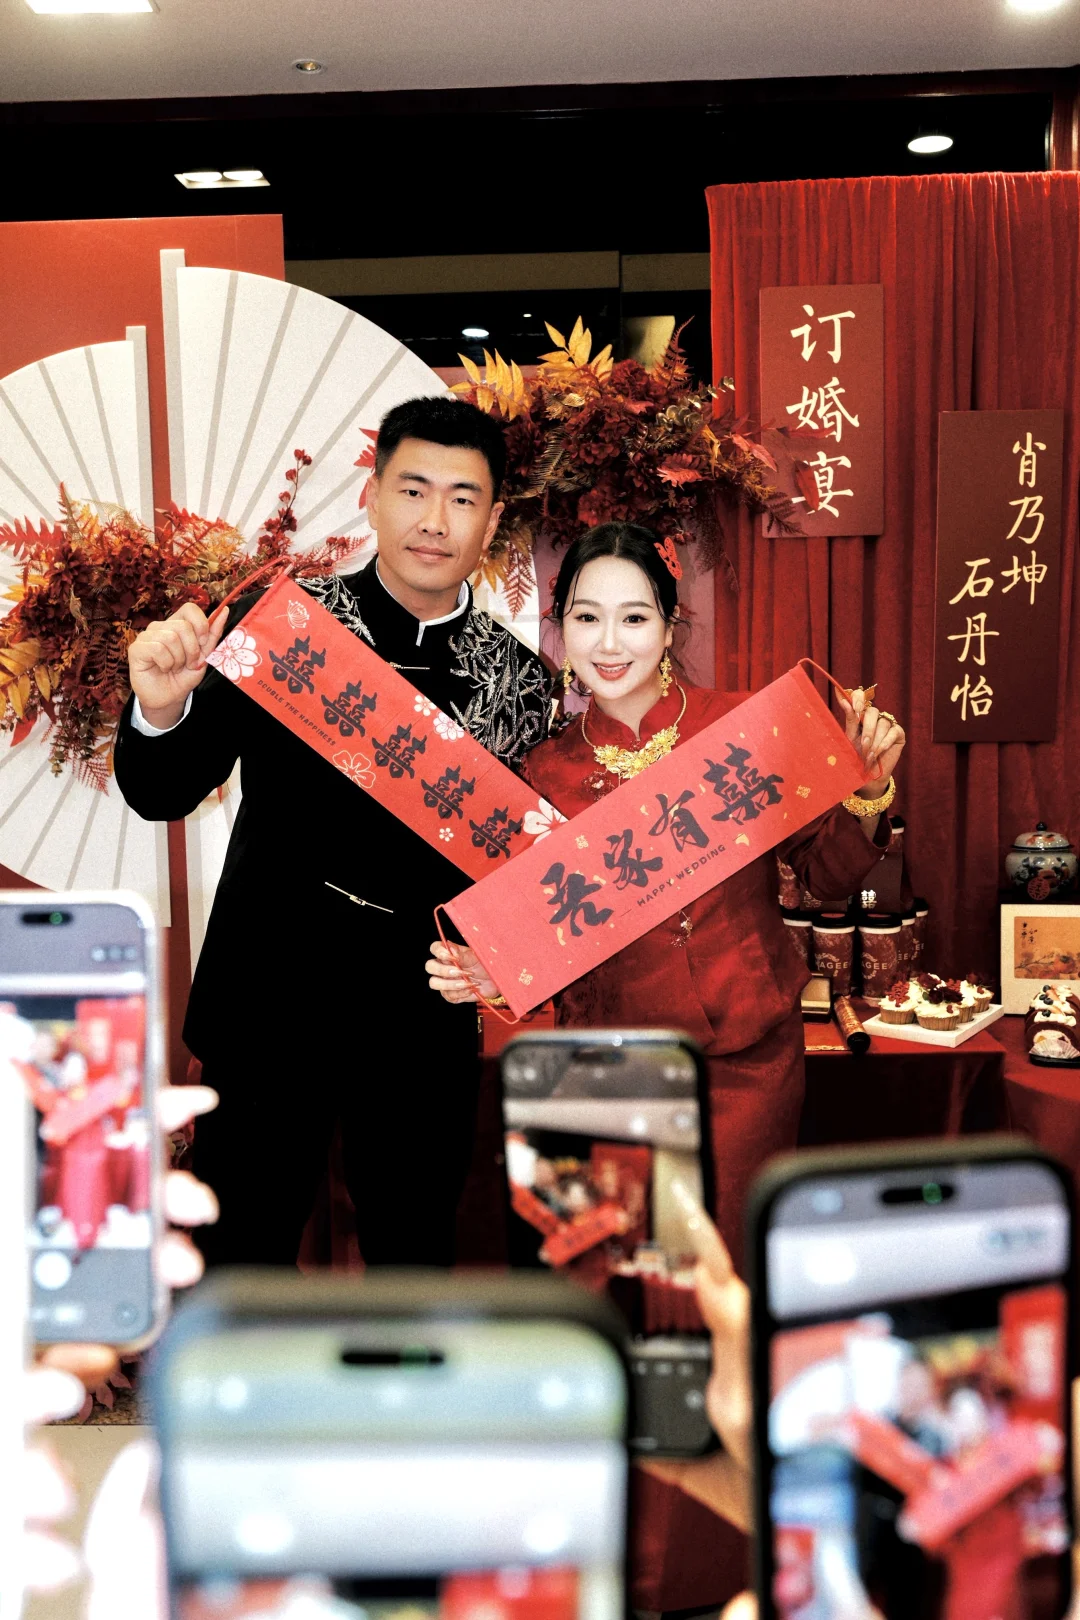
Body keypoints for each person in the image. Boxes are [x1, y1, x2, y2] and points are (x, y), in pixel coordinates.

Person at [114, 395, 551, 1269]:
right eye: (413, 490)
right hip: (268, 994)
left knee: (412, 1262)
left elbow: (526, 871)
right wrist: (159, 710)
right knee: (241, 1257)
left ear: (494, 519)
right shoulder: (289, 629)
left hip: (419, 1018)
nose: (435, 521)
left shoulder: (521, 685)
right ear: (372, 496)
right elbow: (164, 787)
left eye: (463, 498)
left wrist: (502, 957)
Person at [427, 520, 905, 1267]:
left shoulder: (742, 729)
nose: (608, 643)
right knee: (604, 1275)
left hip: (746, 1061)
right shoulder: (540, 774)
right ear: (559, 627)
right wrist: (494, 973)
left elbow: (824, 876)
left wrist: (868, 793)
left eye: (634, 618)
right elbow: (545, 938)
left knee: (725, 1277)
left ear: (671, 623)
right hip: (602, 1067)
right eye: (586, 617)